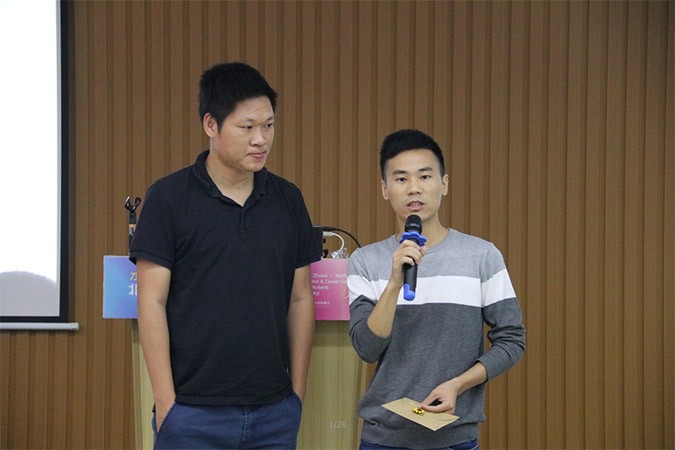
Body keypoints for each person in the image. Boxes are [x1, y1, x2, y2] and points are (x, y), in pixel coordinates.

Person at [129, 62, 320, 449]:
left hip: (274, 412)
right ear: (211, 125)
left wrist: (296, 395)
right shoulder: (169, 198)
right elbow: (151, 301)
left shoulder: (288, 199)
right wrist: (167, 404)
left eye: (268, 125)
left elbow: (300, 298)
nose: (260, 139)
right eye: (247, 127)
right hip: (192, 413)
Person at [348, 129, 526, 450]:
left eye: (425, 176)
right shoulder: (365, 261)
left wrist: (458, 385)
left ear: (444, 183)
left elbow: (512, 340)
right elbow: (367, 348)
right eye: (401, 179)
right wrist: (394, 284)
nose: (414, 188)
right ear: (385, 189)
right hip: (382, 438)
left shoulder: (481, 256)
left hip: (454, 438)